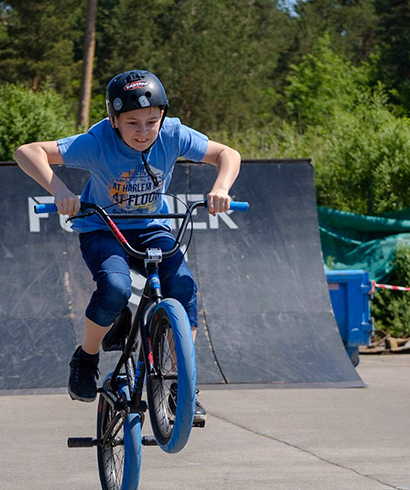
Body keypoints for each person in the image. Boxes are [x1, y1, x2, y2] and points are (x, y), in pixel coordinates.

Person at [14, 70, 241, 418]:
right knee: (115, 288)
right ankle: (86, 358)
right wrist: (60, 191)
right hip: (103, 227)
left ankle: (183, 384)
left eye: (151, 121)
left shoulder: (173, 134)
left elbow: (227, 153)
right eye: (132, 123)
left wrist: (221, 187)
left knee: (182, 285)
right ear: (113, 119)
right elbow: (27, 151)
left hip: (152, 226)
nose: (143, 131)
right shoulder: (97, 142)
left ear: (162, 116)